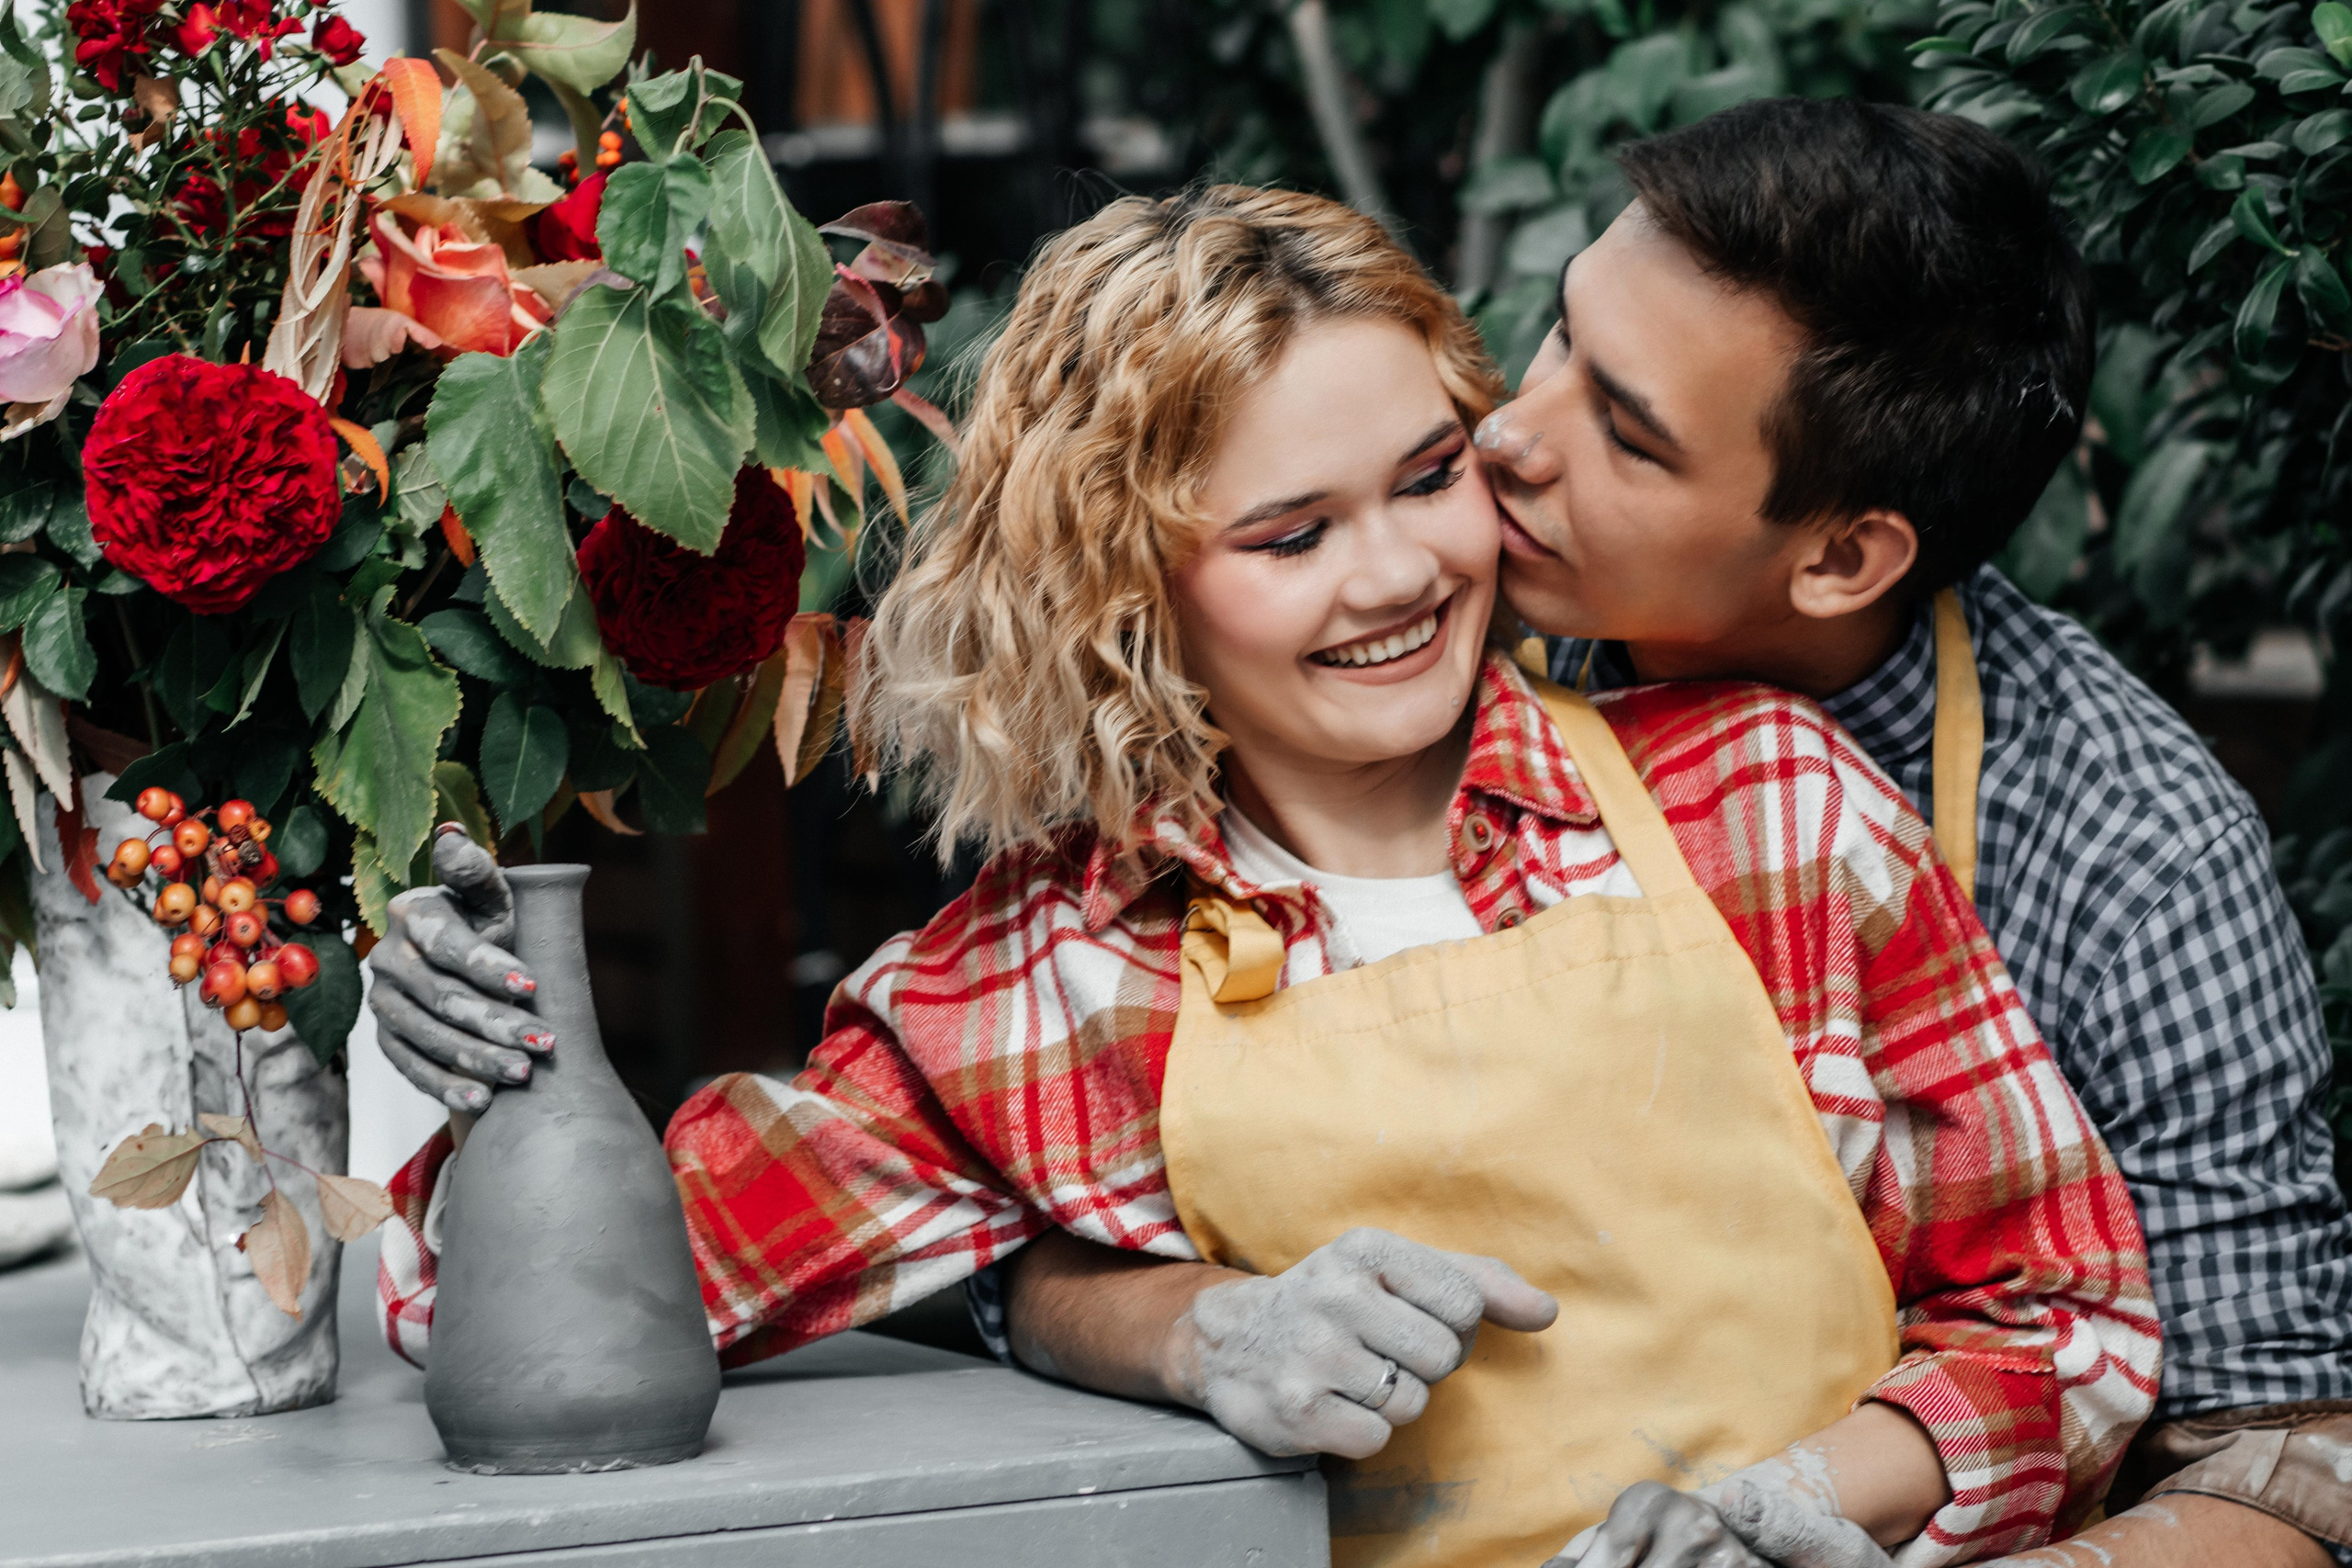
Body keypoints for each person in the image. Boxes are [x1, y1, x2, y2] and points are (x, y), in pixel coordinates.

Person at [367, 186, 2156, 1568]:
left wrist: (1802, 1498)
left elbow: (2061, 1320)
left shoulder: (1765, 805)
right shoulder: (1048, 978)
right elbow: (511, 1318)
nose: (1396, 575)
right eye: (1291, 536)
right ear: (1120, 587)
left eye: (1429, 477)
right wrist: (489, 1051)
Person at [1463, 97, 2352, 1567]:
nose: (1507, 435)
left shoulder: (2130, 848)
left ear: (1840, 555)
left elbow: (2277, 1468)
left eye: (1624, 433)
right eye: (1561, 334)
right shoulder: (1405, 633)